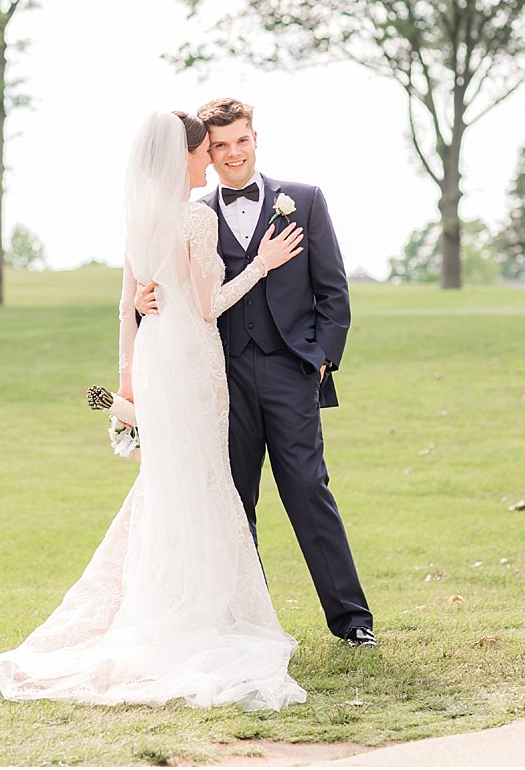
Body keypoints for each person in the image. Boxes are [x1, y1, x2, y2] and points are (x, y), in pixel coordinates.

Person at [0, 111, 309, 709]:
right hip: (191, 360)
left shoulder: (140, 218)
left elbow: (125, 309)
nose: (211, 160)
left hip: (159, 359)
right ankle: (187, 614)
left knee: (171, 482)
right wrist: (262, 265)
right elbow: (211, 304)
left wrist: (124, 390)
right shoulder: (194, 215)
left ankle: (176, 600)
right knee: (197, 483)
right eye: (203, 152)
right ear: (186, 157)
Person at [135, 97, 375, 647]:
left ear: (255, 138)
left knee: (308, 490)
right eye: (220, 146)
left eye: (241, 140)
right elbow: (164, 281)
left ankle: (351, 620)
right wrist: (149, 297)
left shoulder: (305, 201)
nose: (233, 153)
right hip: (221, 378)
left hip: (291, 370)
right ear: (206, 154)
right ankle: (252, 626)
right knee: (234, 501)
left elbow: (333, 291)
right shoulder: (190, 211)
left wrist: (319, 359)